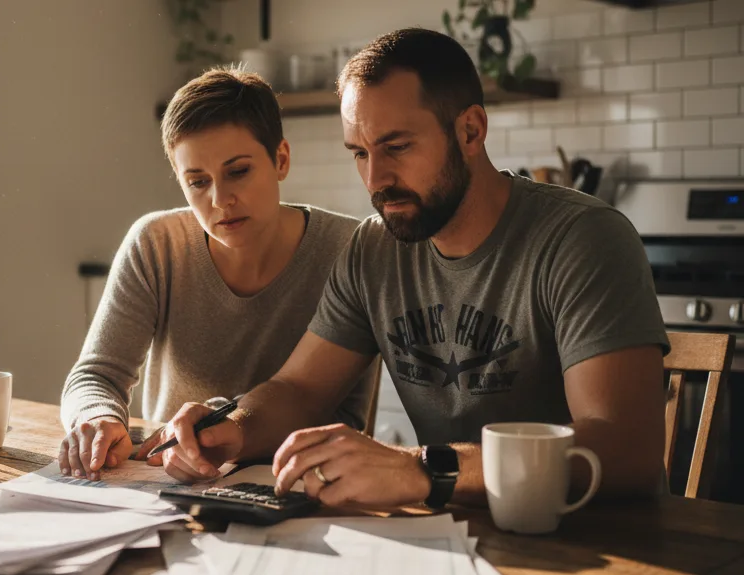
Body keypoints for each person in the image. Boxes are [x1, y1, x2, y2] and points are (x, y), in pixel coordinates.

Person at [153, 28, 670, 508]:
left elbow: (626, 448)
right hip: (453, 534)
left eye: (396, 147)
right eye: (359, 153)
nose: (376, 178)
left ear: (470, 130)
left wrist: (424, 469)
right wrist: (235, 428)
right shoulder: (372, 251)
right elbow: (299, 391)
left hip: (596, 539)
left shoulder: (582, 238)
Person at [58, 68, 376, 480]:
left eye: (238, 171)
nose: (220, 199)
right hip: (169, 480)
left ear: (280, 159)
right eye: (197, 182)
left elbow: (342, 410)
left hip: (307, 482)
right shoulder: (156, 244)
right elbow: (96, 374)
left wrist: (218, 426)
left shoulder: (350, 248)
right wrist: (97, 418)